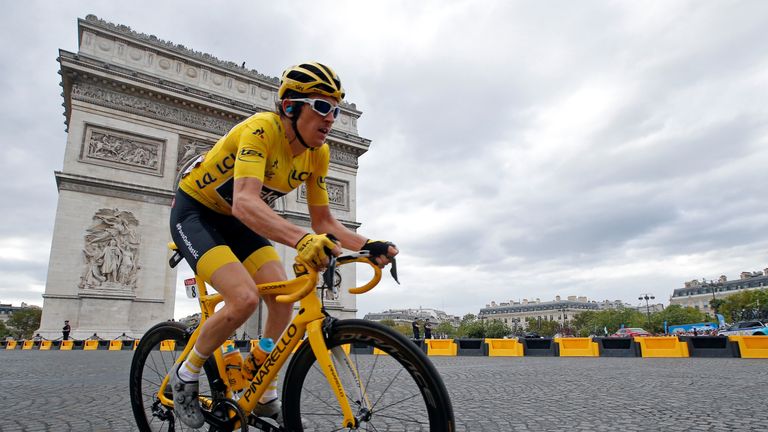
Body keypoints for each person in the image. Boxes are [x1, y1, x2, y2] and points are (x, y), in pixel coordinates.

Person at [168, 62, 398, 428]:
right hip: (197, 213)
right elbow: (245, 201)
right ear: (290, 107)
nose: (331, 118)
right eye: (321, 107)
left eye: (335, 109)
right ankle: (187, 373)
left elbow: (324, 222)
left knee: (281, 298)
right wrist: (303, 239)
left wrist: (370, 245)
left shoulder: (317, 154)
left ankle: (265, 384)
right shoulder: (261, 130)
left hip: (239, 222)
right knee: (243, 298)